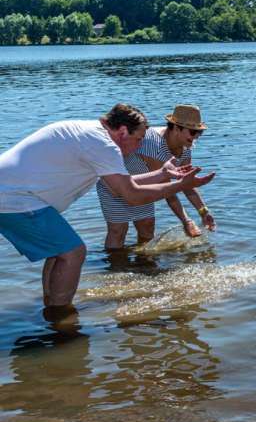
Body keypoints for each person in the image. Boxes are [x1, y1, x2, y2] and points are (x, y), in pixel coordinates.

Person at [0, 103, 215, 308]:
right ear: (122, 131)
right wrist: (180, 185)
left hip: (14, 192)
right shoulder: (104, 145)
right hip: (14, 197)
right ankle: (61, 318)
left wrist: (162, 174)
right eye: (139, 139)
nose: (140, 145)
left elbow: (125, 184)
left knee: (59, 252)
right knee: (73, 253)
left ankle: (50, 309)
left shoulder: (91, 133)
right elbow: (131, 195)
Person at [97, 104, 216, 249]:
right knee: (118, 231)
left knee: (147, 227)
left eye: (199, 132)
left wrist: (204, 212)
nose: (196, 136)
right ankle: (113, 262)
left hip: (143, 188)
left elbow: (186, 184)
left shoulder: (186, 148)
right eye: (192, 132)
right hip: (115, 185)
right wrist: (186, 221)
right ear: (176, 128)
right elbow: (168, 191)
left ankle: (142, 261)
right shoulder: (155, 144)